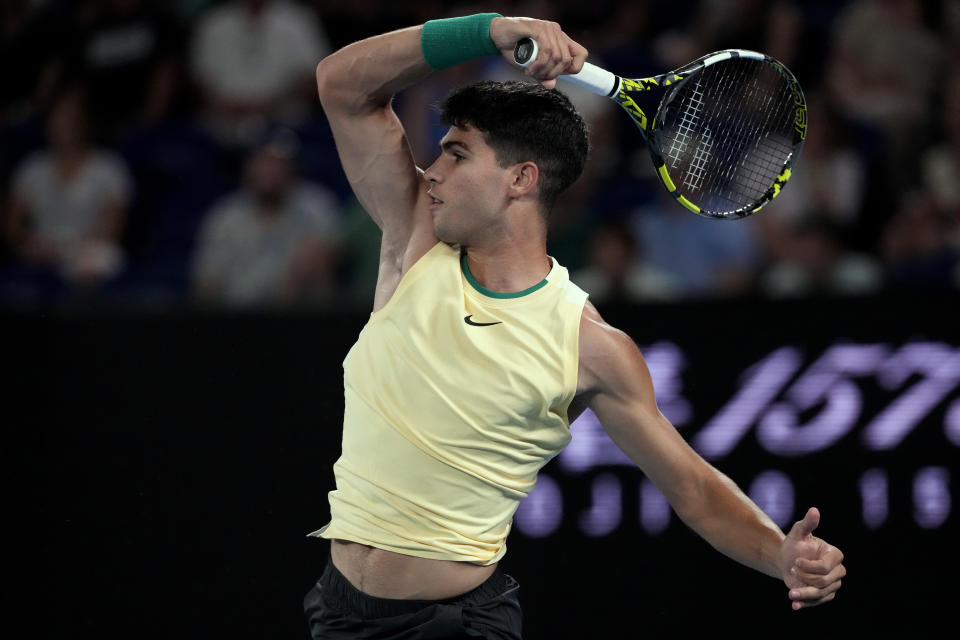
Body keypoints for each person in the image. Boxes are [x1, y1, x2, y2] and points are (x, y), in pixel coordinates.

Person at [303, 14, 846, 639]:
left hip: (455, 626)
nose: (433, 172)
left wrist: (777, 553)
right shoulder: (415, 239)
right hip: (338, 612)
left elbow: (694, 488)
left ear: (521, 179)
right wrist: (487, 31)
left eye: (456, 154)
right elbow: (340, 83)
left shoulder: (588, 344)